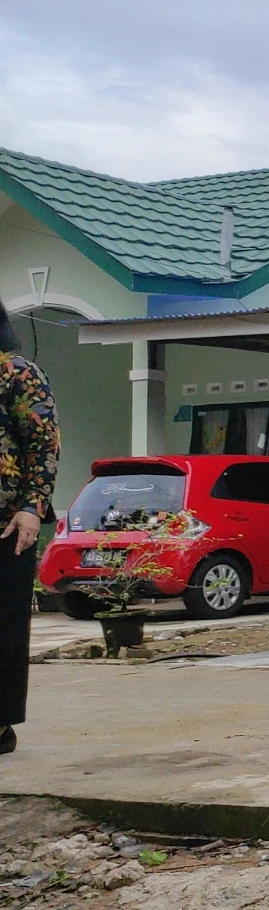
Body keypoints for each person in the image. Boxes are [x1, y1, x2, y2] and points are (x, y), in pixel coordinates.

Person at [0, 304, 59, 757]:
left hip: (6, 524)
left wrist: (33, 507)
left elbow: (42, 441)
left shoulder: (16, 372)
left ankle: (0, 724)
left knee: (4, 623)